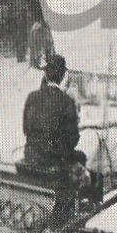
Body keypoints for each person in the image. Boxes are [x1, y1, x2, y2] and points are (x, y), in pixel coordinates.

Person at [21, 53, 83, 190]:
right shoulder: (67, 101)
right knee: (81, 157)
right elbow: (73, 139)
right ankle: (78, 203)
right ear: (61, 76)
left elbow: (26, 129)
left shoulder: (32, 97)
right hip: (53, 162)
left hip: (30, 155)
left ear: (46, 75)